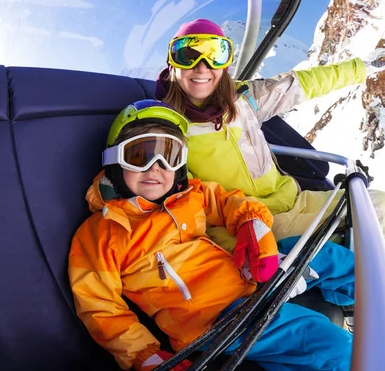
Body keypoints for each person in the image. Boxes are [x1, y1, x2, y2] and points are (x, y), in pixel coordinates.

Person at [68, 100, 355, 371]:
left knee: (323, 253)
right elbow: (99, 305)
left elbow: (231, 202)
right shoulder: (103, 232)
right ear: (116, 161)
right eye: (139, 155)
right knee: (333, 348)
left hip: (247, 276)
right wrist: (145, 356)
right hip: (220, 321)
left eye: (169, 155)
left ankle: (368, 304)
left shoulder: (188, 195)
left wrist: (253, 230)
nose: (155, 166)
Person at [155, 18, 385, 260]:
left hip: (294, 199)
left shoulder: (244, 99)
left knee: (380, 204)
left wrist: (360, 68)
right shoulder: (168, 129)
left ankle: (375, 284)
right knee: (354, 234)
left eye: (215, 54)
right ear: (172, 62)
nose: (202, 67)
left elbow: (301, 83)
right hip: (256, 221)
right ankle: (362, 290)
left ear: (225, 64)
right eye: (188, 55)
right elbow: (190, 202)